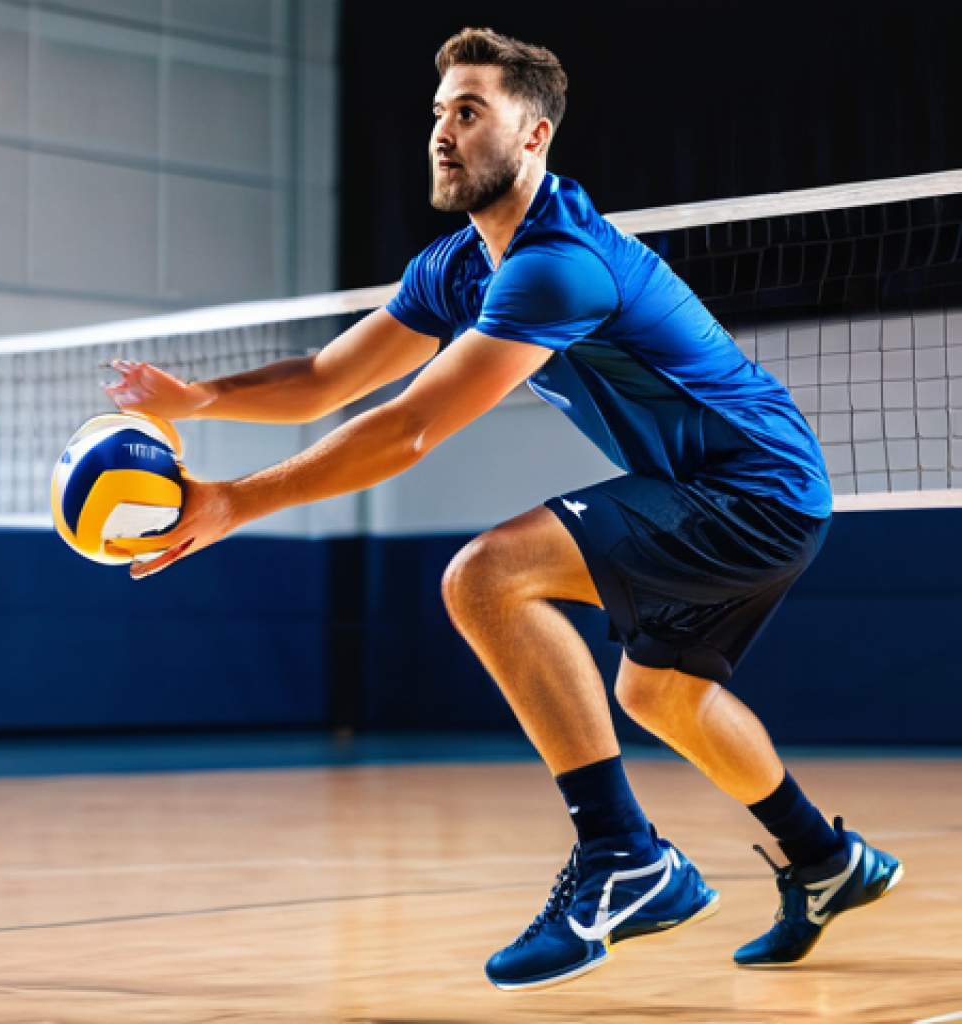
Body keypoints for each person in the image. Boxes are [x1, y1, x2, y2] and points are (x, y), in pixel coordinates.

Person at [106, 27, 902, 991]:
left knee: (486, 576)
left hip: (749, 492)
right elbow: (326, 379)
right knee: (658, 694)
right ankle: (823, 862)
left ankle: (625, 858)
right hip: (744, 492)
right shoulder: (460, 264)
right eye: (440, 111)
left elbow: (403, 433)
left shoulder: (559, 262)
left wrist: (233, 500)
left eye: (471, 110)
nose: (444, 130)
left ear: (534, 137)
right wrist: (204, 401)